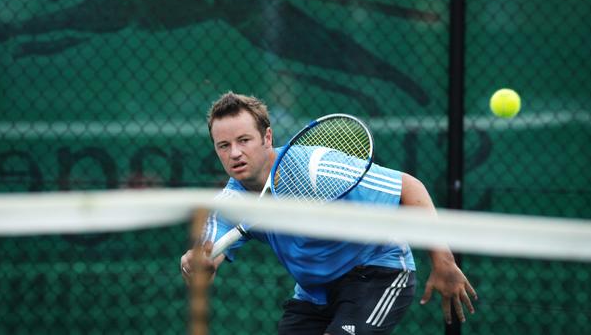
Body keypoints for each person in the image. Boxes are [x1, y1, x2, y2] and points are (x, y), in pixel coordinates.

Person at [180, 91, 477, 335]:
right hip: (314, 293)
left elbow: (409, 188)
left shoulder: (315, 168)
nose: (234, 153)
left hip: (377, 273)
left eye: (244, 140)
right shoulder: (230, 202)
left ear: (267, 138)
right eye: (224, 145)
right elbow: (208, 254)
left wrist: (443, 261)